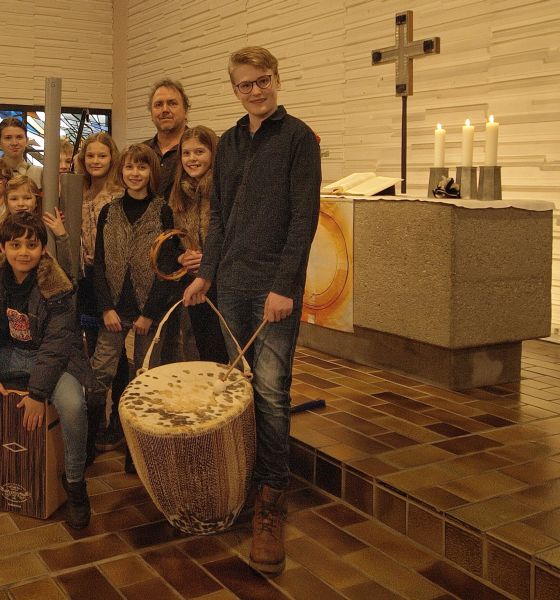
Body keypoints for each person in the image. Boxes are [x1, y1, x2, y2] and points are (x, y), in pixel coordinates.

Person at [183, 46, 321, 575]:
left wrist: (285, 285)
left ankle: (271, 498)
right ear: (235, 89)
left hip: (274, 289)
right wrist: (206, 274)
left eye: (263, 81)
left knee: (269, 391)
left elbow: (303, 216)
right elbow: (219, 217)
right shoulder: (232, 141)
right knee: (236, 386)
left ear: (277, 80)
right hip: (233, 286)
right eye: (245, 84)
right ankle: (240, 474)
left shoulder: (298, 139)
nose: (255, 90)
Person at [0, 213, 93, 529]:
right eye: (16, 244)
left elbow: (57, 343)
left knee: (74, 404)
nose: (24, 252)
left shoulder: (57, 286)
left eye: (32, 245)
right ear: (3, 247)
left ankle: (75, 484)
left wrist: (38, 392)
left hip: (51, 359)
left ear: (43, 250)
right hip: (6, 354)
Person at [90, 143, 176, 472]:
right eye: (129, 167)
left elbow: (167, 267)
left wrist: (150, 313)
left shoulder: (162, 211)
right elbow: (98, 263)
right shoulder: (108, 211)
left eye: (142, 167)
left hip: (146, 311)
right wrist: (106, 308)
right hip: (113, 309)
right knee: (101, 372)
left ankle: (136, 449)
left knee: (145, 375)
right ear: (121, 171)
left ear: (151, 172)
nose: (135, 173)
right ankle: (89, 442)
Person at [74, 133, 131, 461]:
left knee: (114, 354)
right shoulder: (79, 189)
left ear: (112, 159)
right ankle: (102, 417)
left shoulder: (117, 194)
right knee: (93, 347)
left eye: (102, 157)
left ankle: (115, 422)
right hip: (84, 279)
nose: (96, 161)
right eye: (90, 156)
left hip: (108, 280)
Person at [167, 125, 228, 364]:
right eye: (186, 153)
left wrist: (211, 259)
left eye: (199, 152)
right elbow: (169, 240)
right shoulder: (178, 195)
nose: (192, 159)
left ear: (213, 153)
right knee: (202, 349)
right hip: (193, 281)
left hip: (223, 282)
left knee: (226, 349)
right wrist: (181, 258)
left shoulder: (222, 190)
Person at [143, 79, 190, 198]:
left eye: (172, 103)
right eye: (158, 105)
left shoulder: (207, 148)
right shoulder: (142, 151)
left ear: (186, 110)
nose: (165, 110)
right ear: (151, 114)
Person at [0, 117, 43, 189]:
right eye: (8, 138)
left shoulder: (39, 173)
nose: (14, 143)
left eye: (19, 137)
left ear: (26, 141)